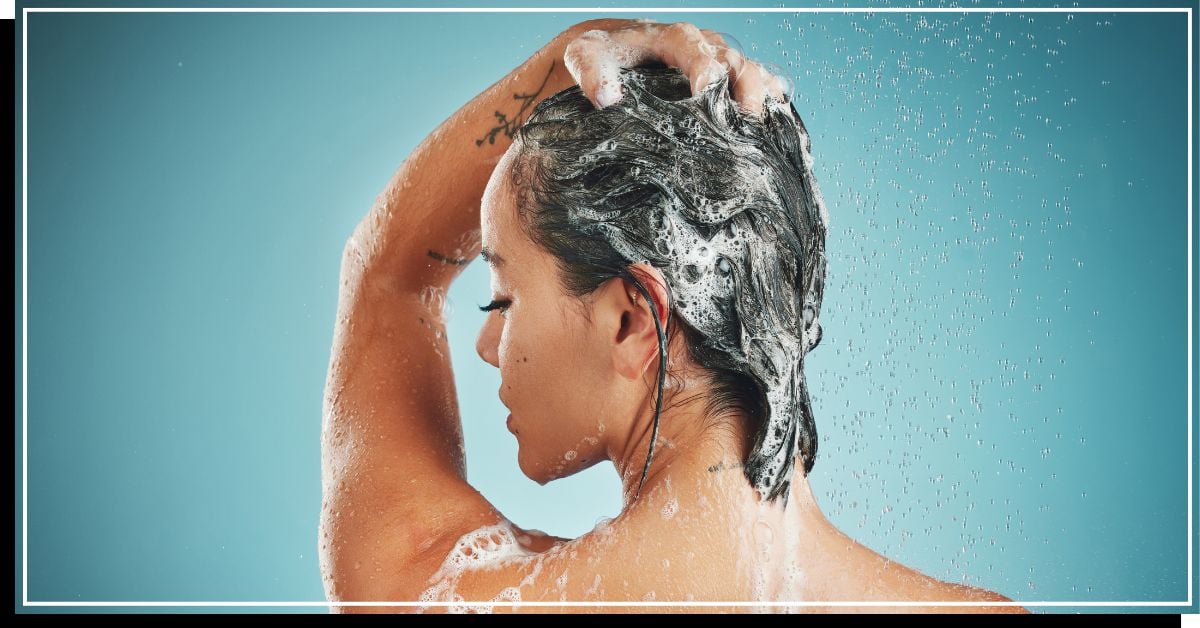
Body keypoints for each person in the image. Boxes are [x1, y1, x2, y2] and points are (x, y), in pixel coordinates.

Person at [319, 18, 1028, 613]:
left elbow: (389, 278)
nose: (487, 343)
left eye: (502, 298)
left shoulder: (453, 596)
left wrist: (570, 57)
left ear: (633, 321)